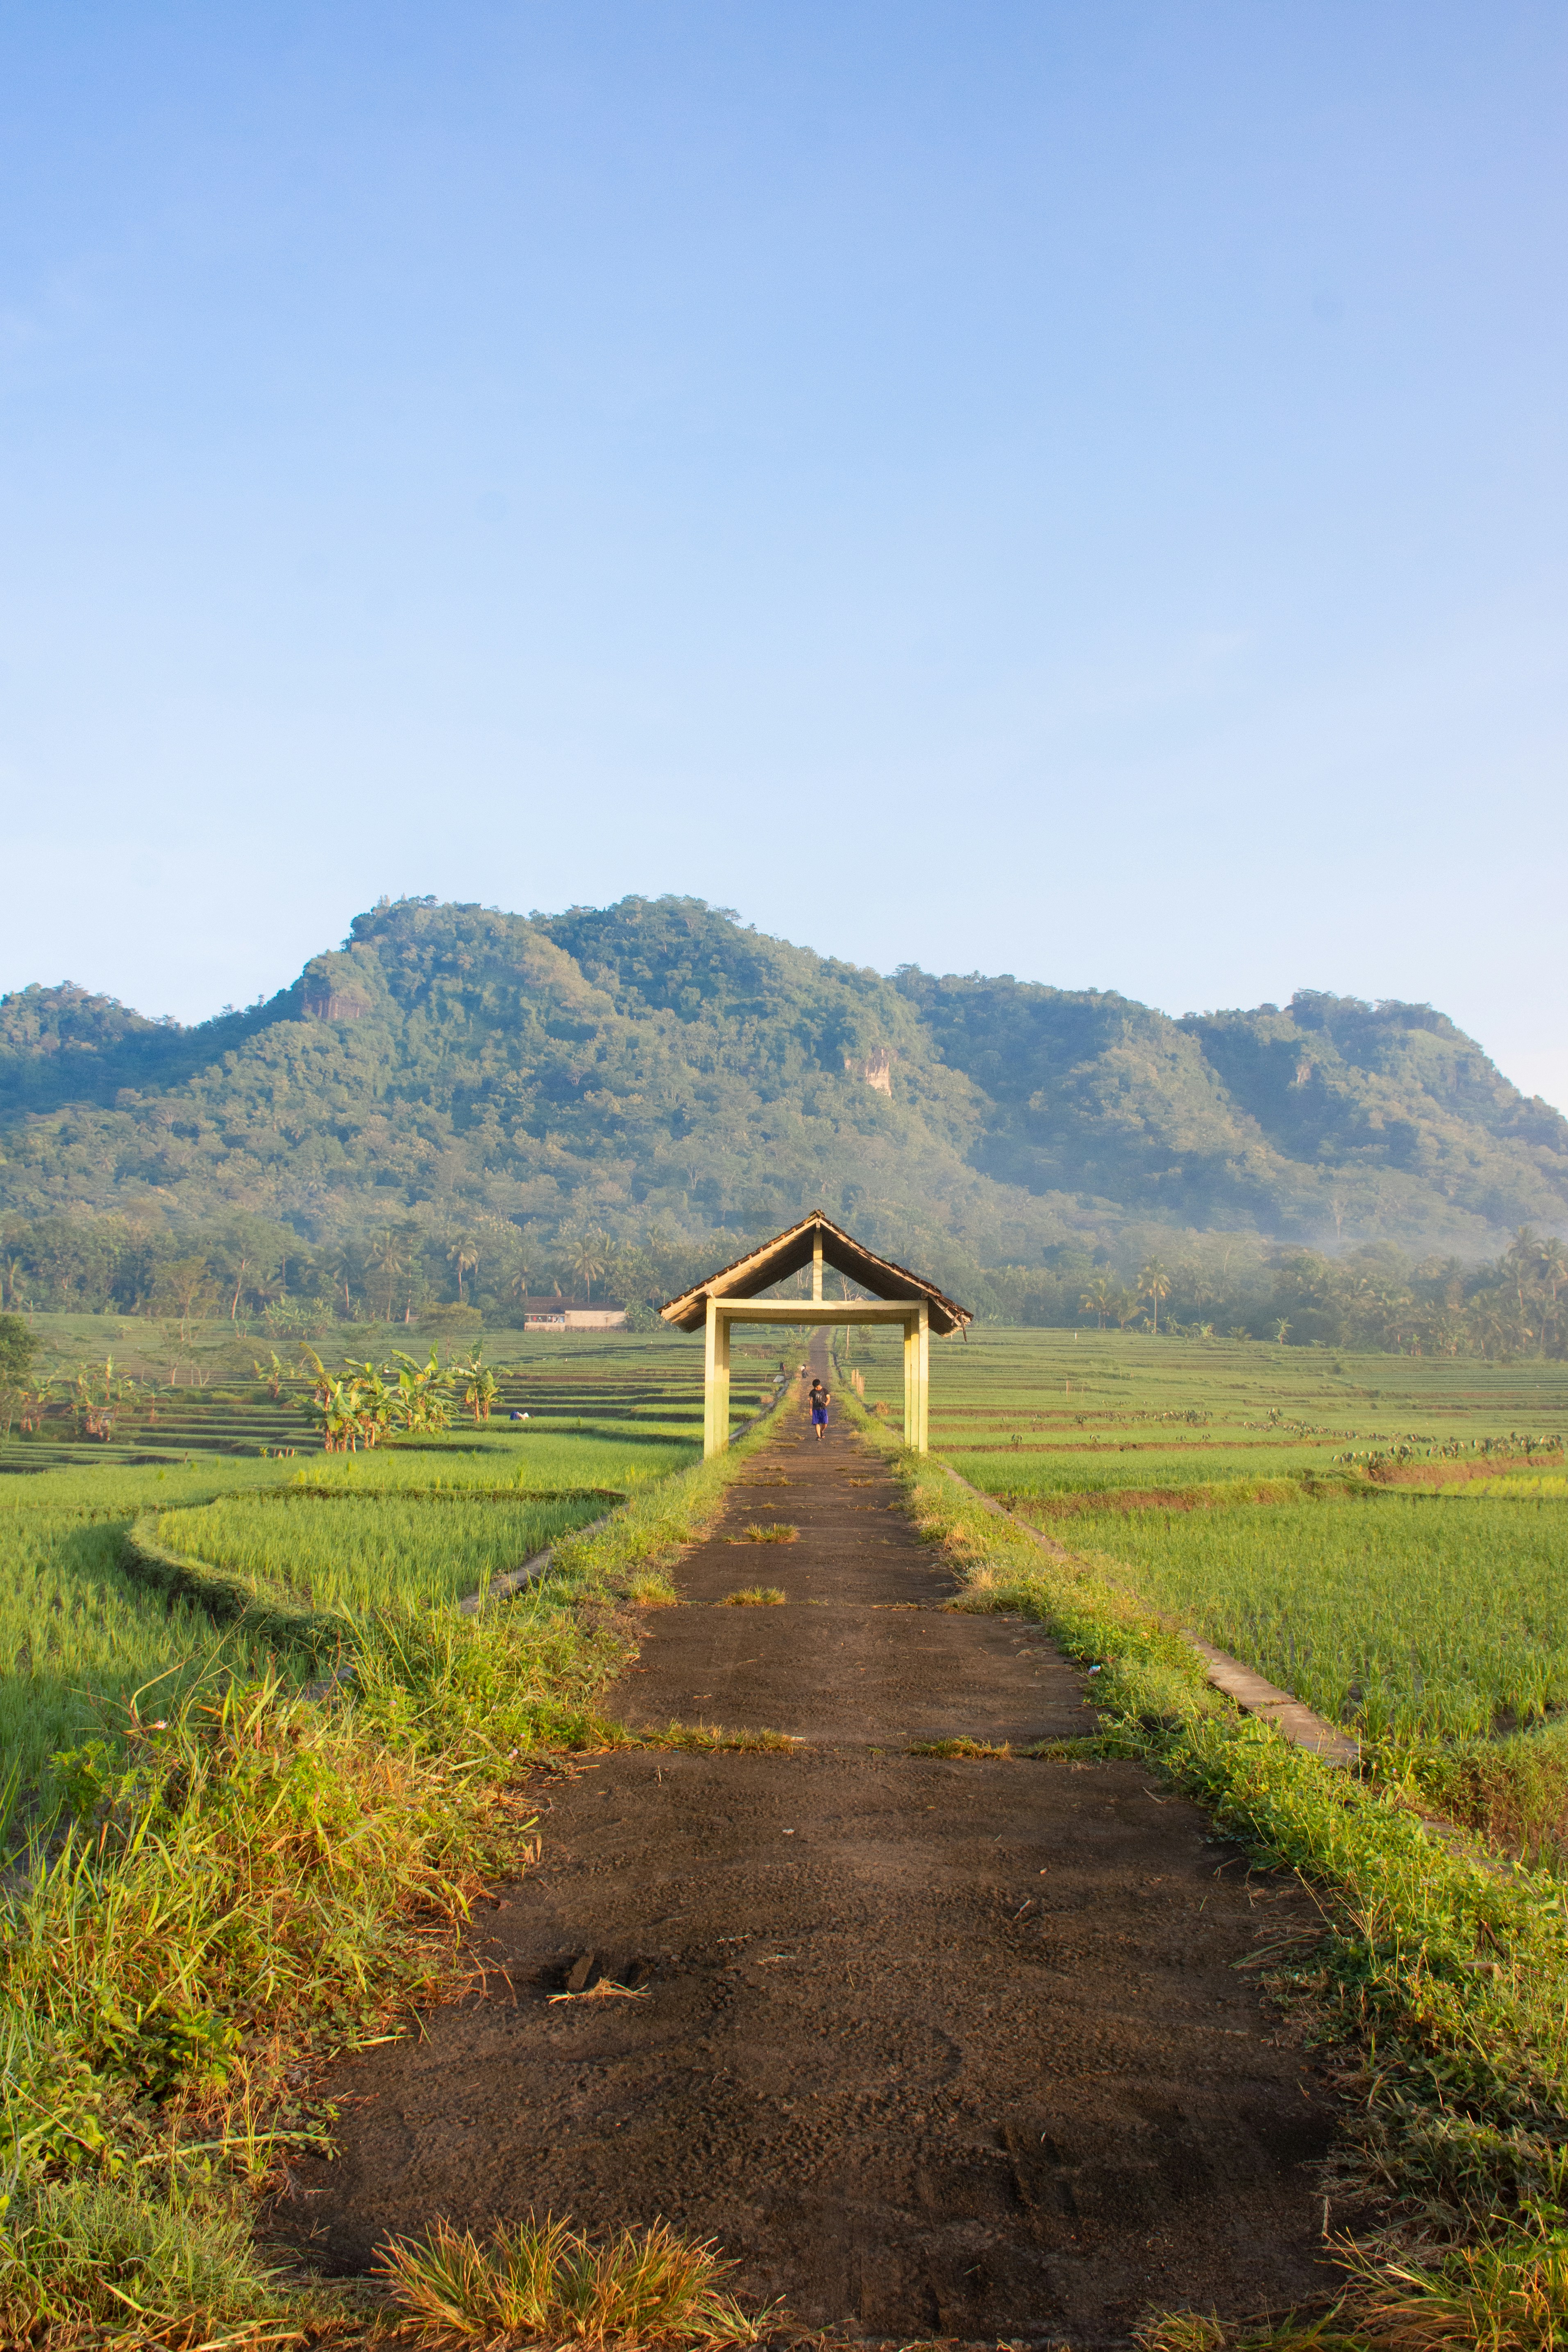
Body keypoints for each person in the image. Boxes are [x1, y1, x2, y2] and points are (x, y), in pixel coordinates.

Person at [808, 1376, 831, 1442]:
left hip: (823, 1409)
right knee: (817, 1423)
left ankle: (822, 1431)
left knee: (825, 1423)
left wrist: (826, 1404)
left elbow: (829, 1399)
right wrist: (810, 1409)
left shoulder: (825, 1391)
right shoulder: (813, 1392)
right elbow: (811, 1401)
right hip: (815, 1409)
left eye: (817, 1387)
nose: (816, 1388)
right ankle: (819, 1437)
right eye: (814, 1387)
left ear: (820, 1385)